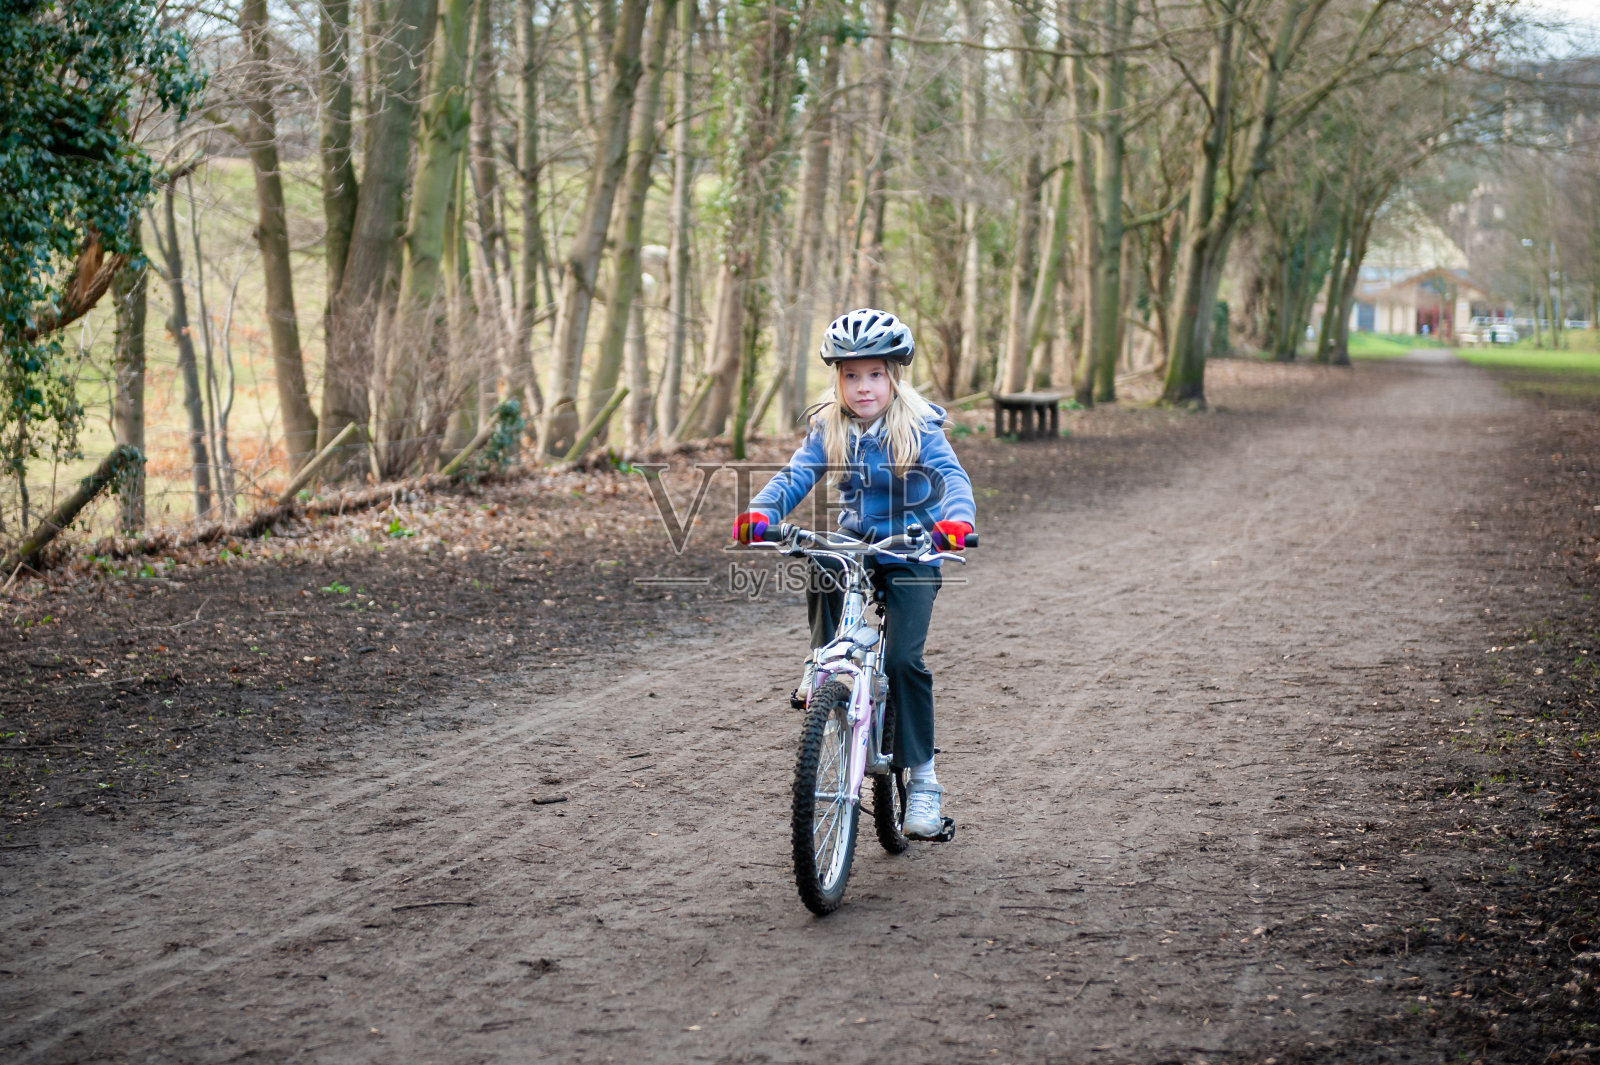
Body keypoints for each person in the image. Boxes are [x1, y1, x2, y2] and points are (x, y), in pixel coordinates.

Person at [732, 308, 977, 839]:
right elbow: (794, 476)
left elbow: (952, 478)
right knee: (822, 556)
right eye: (851, 375)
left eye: (875, 374)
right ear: (838, 380)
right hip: (859, 541)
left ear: (894, 376)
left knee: (904, 661)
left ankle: (925, 782)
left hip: (913, 548)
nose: (863, 386)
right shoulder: (830, 426)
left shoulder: (920, 427)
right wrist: (761, 512)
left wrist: (955, 523)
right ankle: (822, 656)